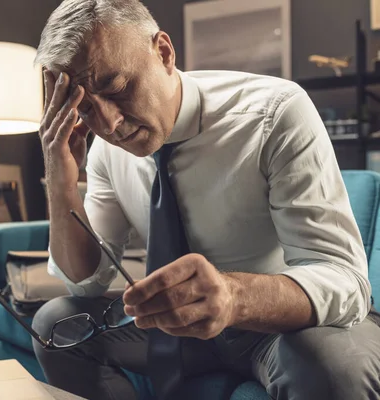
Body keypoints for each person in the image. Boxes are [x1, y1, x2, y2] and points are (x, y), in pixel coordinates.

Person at [32, 0, 380, 399]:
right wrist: (60, 181)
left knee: (337, 369)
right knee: (56, 325)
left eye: (118, 88)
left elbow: (345, 281)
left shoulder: (274, 113)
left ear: (163, 52)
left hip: (277, 327)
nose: (109, 124)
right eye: (86, 108)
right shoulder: (107, 150)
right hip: (174, 332)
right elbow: (86, 283)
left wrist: (233, 296)